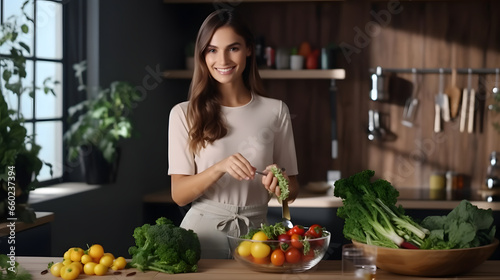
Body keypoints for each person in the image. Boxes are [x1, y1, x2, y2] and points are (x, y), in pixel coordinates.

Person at [167, 9, 299, 259]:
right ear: (202, 55)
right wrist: (220, 167)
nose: (223, 60)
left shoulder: (276, 111)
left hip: (260, 236)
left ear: (249, 49)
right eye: (212, 50)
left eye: (233, 48)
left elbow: (292, 190)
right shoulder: (183, 114)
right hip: (201, 236)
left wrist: (279, 183)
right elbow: (179, 195)